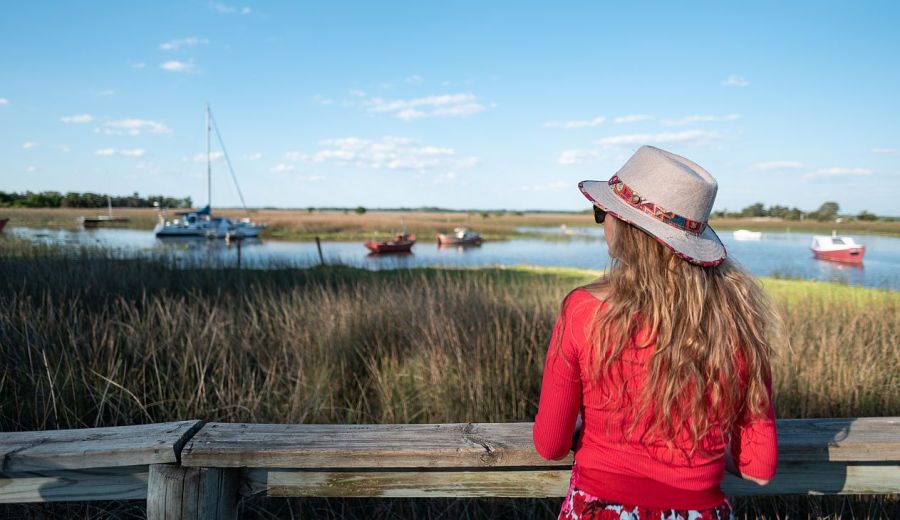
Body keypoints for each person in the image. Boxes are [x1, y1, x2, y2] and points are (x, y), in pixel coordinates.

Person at [533, 146, 778, 520]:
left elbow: (550, 445)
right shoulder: (735, 322)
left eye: (604, 214)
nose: (603, 225)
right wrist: (701, 450)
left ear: (627, 228)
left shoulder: (583, 310)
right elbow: (758, 468)